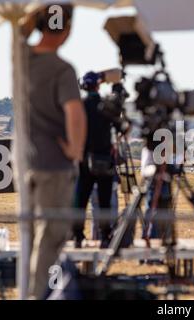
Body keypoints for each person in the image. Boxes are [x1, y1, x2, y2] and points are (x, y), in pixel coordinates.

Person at [26, 4, 87, 299]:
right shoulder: (62, 69)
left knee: (31, 231)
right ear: (68, 29)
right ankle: (41, 295)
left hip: (26, 160)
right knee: (50, 236)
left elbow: (20, 35)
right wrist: (75, 150)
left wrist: (32, 20)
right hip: (54, 164)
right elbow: (74, 112)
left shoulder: (22, 59)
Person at [72, 72, 115, 248]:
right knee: (104, 202)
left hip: (84, 159)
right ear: (98, 86)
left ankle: (78, 236)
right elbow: (122, 128)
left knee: (80, 199)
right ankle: (105, 236)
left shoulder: (80, 105)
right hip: (105, 159)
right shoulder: (106, 105)